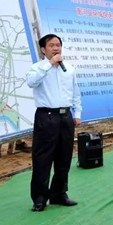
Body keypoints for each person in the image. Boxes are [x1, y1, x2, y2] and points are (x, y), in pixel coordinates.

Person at [26, 34, 82, 212]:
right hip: (46, 116)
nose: (56, 48)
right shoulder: (37, 68)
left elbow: (75, 93)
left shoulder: (69, 69)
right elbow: (31, 82)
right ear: (43, 49)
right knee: (42, 158)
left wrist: (77, 113)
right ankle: (40, 198)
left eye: (58, 45)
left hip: (65, 117)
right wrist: (49, 64)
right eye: (51, 45)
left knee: (64, 157)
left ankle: (59, 194)